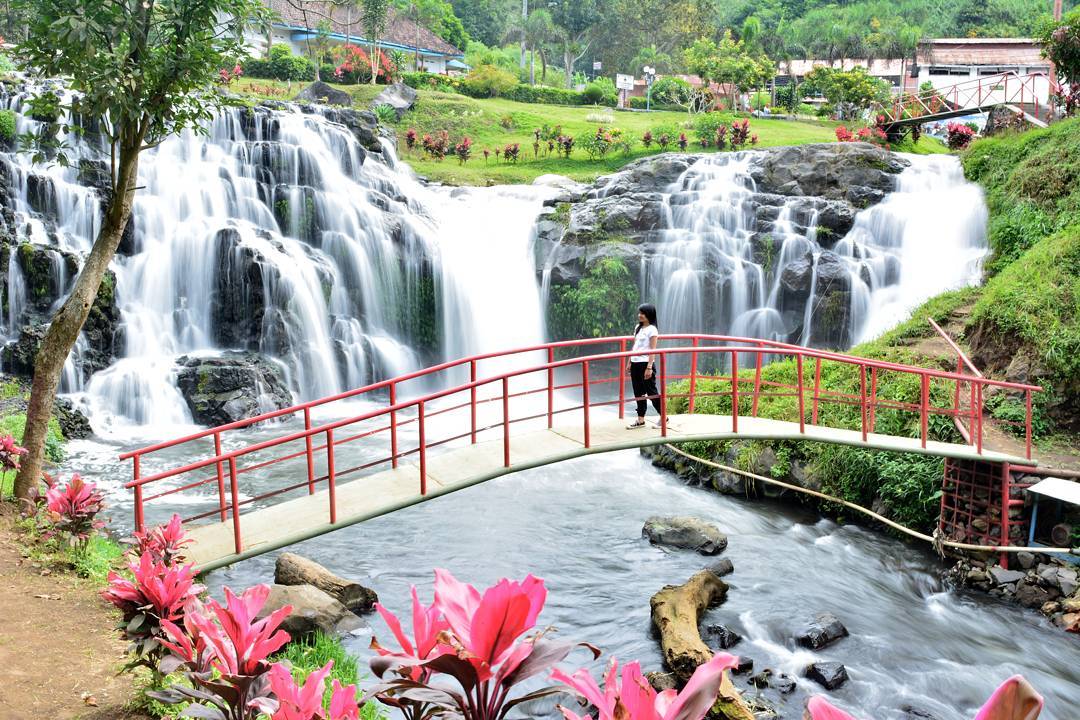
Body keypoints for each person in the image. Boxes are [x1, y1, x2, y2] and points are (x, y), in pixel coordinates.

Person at [626, 303, 662, 429]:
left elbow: (653, 349)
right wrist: (629, 361)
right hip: (636, 363)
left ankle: (664, 417)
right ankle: (640, 419)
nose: (639, 315)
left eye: (642, 313)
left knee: (651, 392)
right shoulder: (638, 328)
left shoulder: (652, 330)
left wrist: (649, 367)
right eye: (639, 313)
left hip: (645, 363)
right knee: (638, 392)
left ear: (649, 315)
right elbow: (635, 346)